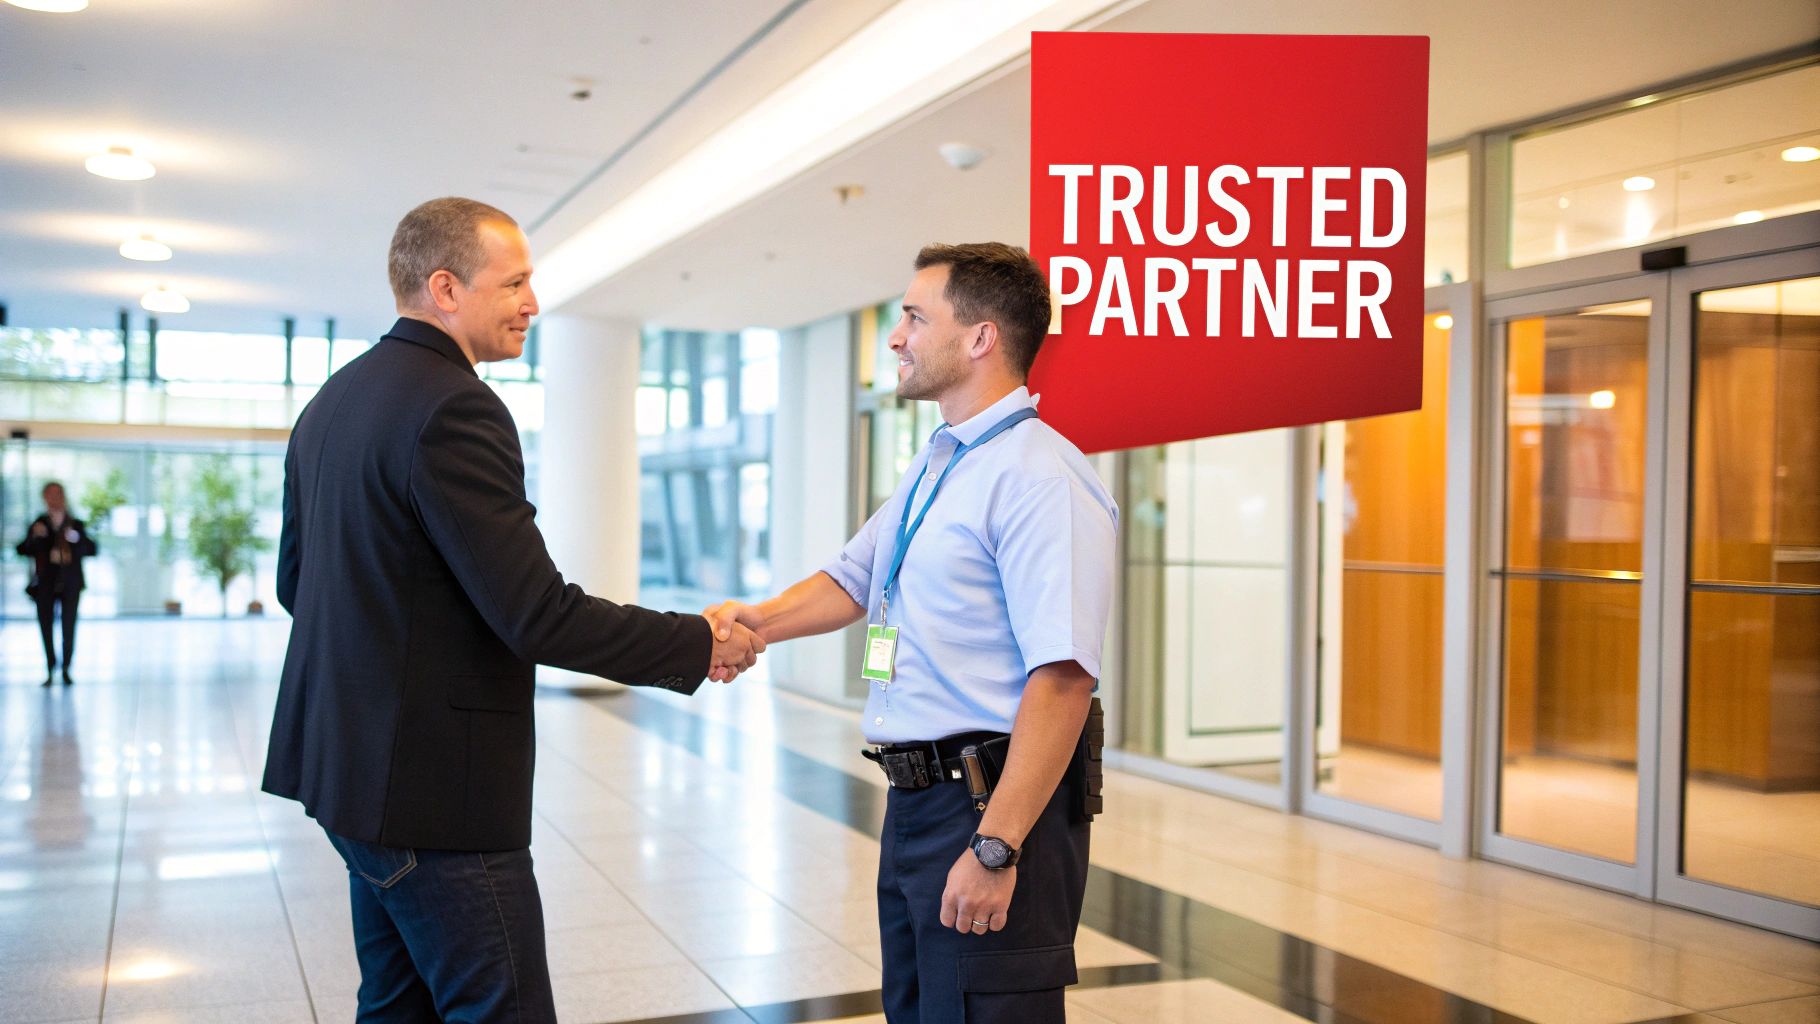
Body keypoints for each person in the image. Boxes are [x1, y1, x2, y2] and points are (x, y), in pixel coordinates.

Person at [262, 196, 764, 1024]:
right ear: (446, 288)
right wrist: (694, 641)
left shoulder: (334, 400)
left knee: (396, 1007)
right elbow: (534, 612)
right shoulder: (455, 407)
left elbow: (296, 585)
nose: (533, 304)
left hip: (347, 779)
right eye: (517, 283)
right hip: (434, 798)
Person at [706, 242, 1117, 1023]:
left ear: (981, 338)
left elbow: (1064, 679)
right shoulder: (941, 462)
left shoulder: (1040, 477)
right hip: (920, 805)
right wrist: (753, 623)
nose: (896, 337)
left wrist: (997, 848)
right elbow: (854, 579)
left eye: (913, 317)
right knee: (923, 1009)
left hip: (993, 802)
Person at [17, 482, 97, 687]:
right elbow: (23, 549)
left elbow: (91, 549)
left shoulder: (75, 523)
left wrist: (75, 538)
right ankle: (50, 667)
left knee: (69, 625)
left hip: (70, 583)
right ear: (44, 497)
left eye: (58, 494)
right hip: (45, 583)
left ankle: (66, 668)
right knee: (45, 625)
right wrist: (36, 536)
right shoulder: (39, 523)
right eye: (50, 494)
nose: (54, 498)